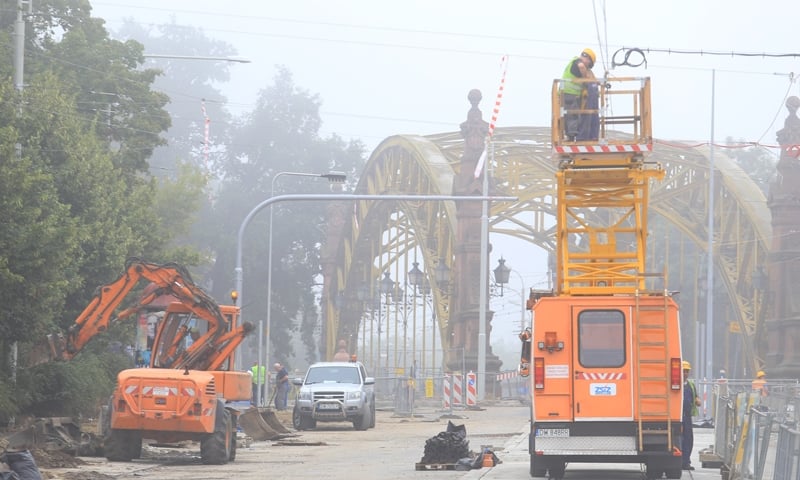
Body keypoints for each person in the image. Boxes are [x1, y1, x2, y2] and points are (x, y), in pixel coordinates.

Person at [561, 47, 599, 141]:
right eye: (589, 64)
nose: (587, 66)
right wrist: (585, 79)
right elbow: (582, 67)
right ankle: (571, 137)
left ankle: (572, 136)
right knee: (572, 115)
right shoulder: (578, 61)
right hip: (570, 94)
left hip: (568, 94)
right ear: (588, 59)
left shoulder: (574, 62)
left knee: (571, 115)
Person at [682, 360, 700, 470]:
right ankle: (680, 462)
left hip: (687, 416)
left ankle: (686, 462)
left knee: (689, 439)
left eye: (687, 371)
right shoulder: (676, 384)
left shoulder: (691, 385)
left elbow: (696, 396)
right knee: (680, 439)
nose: (685, 373)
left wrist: (698, 400)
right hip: (679, 416)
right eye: (683, 371)